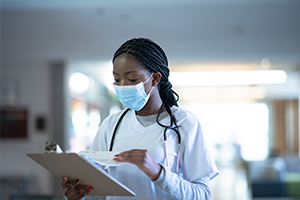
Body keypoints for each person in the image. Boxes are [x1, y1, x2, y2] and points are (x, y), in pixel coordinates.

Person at [61, 38, 219, 200]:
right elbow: (101, 193)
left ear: (155, 78)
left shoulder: (184, 123)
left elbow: (202, 195)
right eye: (117, 79)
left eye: (132, 79)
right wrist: (80, 195)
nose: (122, 86)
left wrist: (158, 173)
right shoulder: (111, 124)